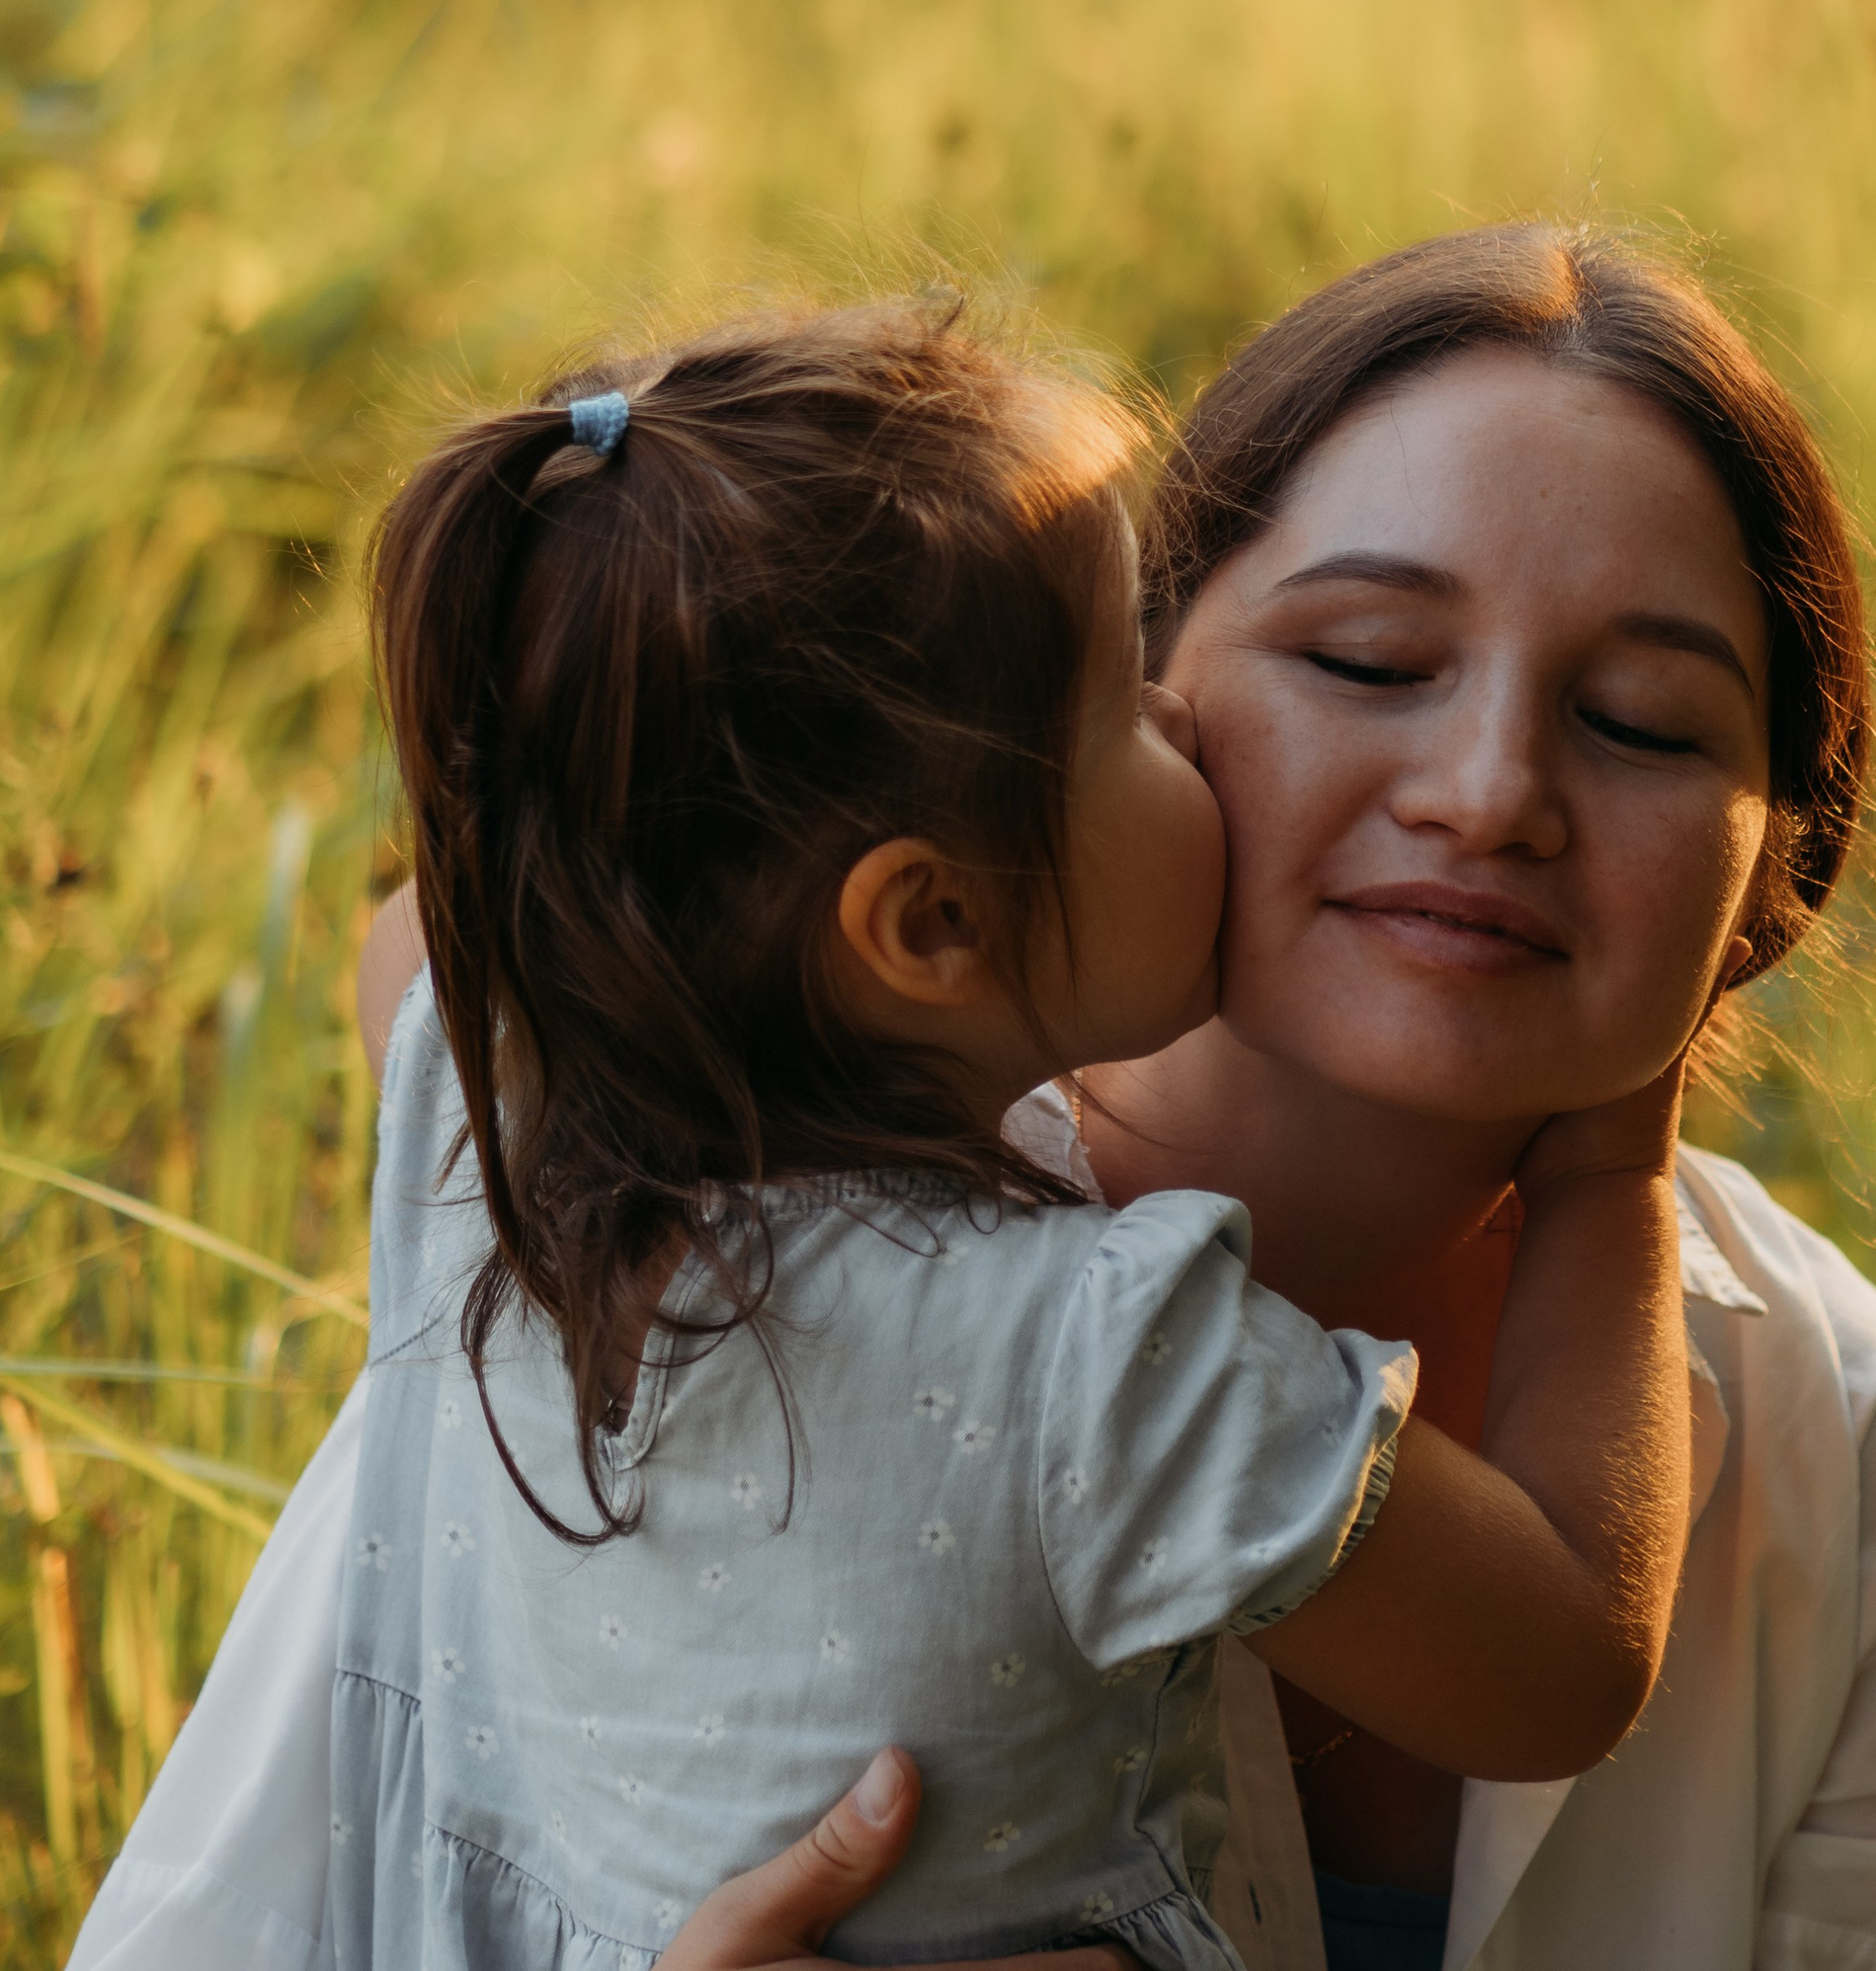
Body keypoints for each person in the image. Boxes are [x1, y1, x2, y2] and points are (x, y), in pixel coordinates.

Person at [73, 226, 1876, 1971]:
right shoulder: (636, 1198)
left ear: (1773, 872)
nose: (1487, 794)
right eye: (1365, 658)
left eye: (1639, 722)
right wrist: (1606, 1174)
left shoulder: (1867, 1482)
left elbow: (440, 950)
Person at [326, 305, 1696, 1970]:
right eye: (1125, 699)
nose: (1185, 722)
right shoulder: (1101, 1353)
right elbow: (1561, 1657)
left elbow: (422, 927)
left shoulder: (491, 1122)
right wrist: (1612, 1178)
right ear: (934, 922)